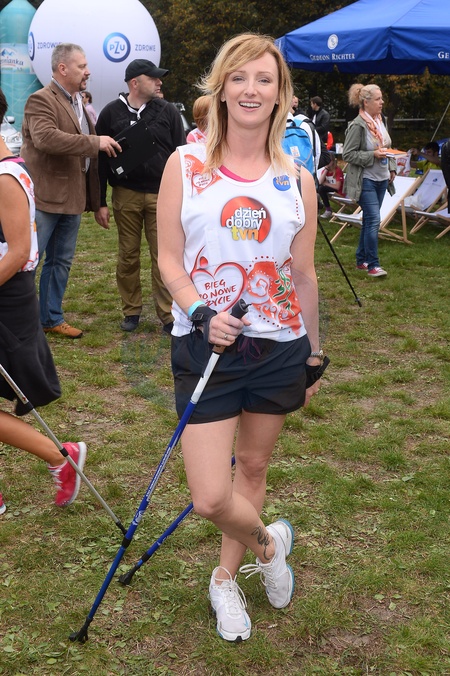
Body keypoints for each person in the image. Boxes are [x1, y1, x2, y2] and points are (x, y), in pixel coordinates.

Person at [157, 33, 324, 643]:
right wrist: (202, 313)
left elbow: (302, 275)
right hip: (207, 346)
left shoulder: (297, 179)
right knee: (209, 496)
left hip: (279, 347)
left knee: (252, 466)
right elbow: (168, 259)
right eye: (239, 78)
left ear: (280, 94)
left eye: (264, 79)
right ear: (221, 89)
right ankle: (269, 545)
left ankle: (226, 578)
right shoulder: (185, 165)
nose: (251, 89)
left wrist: (314, 352)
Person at [0, 88, 87, 514]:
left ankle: (61, 456)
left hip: (7, 299)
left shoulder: (6, 178)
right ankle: (61, 457)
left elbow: (18, 252)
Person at [21, 43, 121, 339]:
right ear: (62, 68)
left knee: (60, 262)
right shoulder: (40, 99)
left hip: (72, 200)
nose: (88, 71)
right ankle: (17, 320)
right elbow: (46, 138)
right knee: (28, 261)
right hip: (45, 198)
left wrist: (96, 200)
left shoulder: (78, 102)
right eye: (82, 66)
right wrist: (95, 142)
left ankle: (51, 318)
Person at [95, 59, 186, 333]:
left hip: (163, 196)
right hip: (126, 194)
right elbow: (100, 161)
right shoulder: (110, 113)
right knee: (128, 255)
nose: (160, 82)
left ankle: (168, 314)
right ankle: (131, 310)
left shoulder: (168, 111)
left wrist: (184, 195)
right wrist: (100, 202)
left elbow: (182, 154)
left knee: (164, 256)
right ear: (135, 83)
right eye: (154, 78)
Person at [342, 83, 397, 277]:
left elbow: (387, 146)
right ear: (366, 102)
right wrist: (372, 155)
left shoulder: (381, 120)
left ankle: (361, 260)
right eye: (378, 99)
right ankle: (373, 265)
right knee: (374, 220)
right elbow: (348, 154)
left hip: (382, 179)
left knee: (369, 220)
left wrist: (392, 167)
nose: (382, 102)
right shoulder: (358, 125)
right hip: (365, 180)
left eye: (382, 99)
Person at [318, 152, 345, 218]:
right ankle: (318, 206)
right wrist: (326, 169)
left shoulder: (337, 170)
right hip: (330, 189)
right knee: (318, 188)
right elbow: (320, 182)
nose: (326, 163)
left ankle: (328, 210)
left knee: (321, 189)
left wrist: (326, 183)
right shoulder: (325, 170)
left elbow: (337, 187)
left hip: (339, 192)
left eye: (328, 161)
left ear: (332, 161)